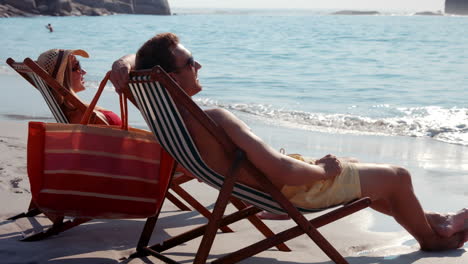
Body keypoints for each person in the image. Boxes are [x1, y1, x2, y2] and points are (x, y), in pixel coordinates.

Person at [109, 32, 467, 252]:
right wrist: (322, 169)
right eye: (190, 62)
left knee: (365, 171)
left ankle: (432, 218)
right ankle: (433, 238)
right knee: (398, 176)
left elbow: (127, 64)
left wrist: (122, 64)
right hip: (292, 191)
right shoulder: (214, 119)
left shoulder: (163, 114)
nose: (198, 64)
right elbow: (283, 170)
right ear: (171, 76)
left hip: (260, 188)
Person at [37, 49, 121, 125]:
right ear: (64, 76)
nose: (84, 72)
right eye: (77, 66)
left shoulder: (74, 111)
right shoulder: (82, 116)